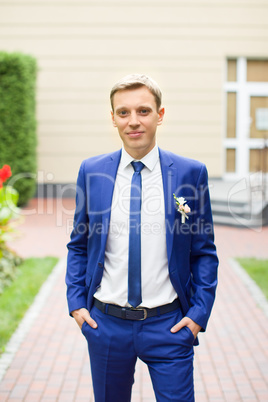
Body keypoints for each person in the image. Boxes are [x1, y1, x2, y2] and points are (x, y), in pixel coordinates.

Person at [66, 74, 218, 401]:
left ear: (160, 115)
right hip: (106, 326)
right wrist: (77, 305)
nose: (133, 121)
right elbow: (79, 245)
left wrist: (198, 315)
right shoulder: (92, 172)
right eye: (123, 113)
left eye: (143, 111)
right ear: (113, 118)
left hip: (169, 326)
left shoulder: (191, 173)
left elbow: (204, 252)